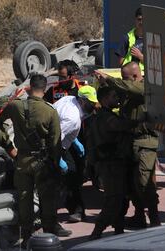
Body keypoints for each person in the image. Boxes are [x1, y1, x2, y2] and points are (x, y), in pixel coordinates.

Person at [0, 74, 72, 247]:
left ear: (29, 87)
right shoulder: (50, 110)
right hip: (44, 162)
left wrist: (15, 95)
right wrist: (55, 163)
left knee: (24, 198)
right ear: (45, 89)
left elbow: (0, 106)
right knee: (47, 199)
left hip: (23, 160)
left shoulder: (16, 106)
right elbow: (56, 141)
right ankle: (48, 237)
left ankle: (26, 237)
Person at [95, 62, 161, 228]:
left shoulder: (145, 87)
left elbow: (131, 89)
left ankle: (154, 220)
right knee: (131, 184)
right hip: (129, 142)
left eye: (125, 78)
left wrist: (109, 79)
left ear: (135, 76)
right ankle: (139, 216)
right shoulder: (127, 90)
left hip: (145, 141)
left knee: (143, 181)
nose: (123, 82)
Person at [89, 86, 138, 240]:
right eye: (114, 96)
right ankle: (97, 231)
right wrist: (141, 119)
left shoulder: (102, 116)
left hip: (114, 163)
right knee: (114, 199)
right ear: (104, 99)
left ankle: (119, 230)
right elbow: (121, 126)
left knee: (121, 199)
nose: (117, 99)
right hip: (111, 164)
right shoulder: (105, 117)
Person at [53, 85, 98, 223]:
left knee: (73, 177)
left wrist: (74, 140)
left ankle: (76, 210)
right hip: (55, 146)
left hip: (65, 140)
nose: (94, 105)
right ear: (83, 101)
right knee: (65, 178)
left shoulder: (69, 99)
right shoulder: (72, 118)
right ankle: (52, 217)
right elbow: (55, 138)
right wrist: (58, 158)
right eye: (91, 103)